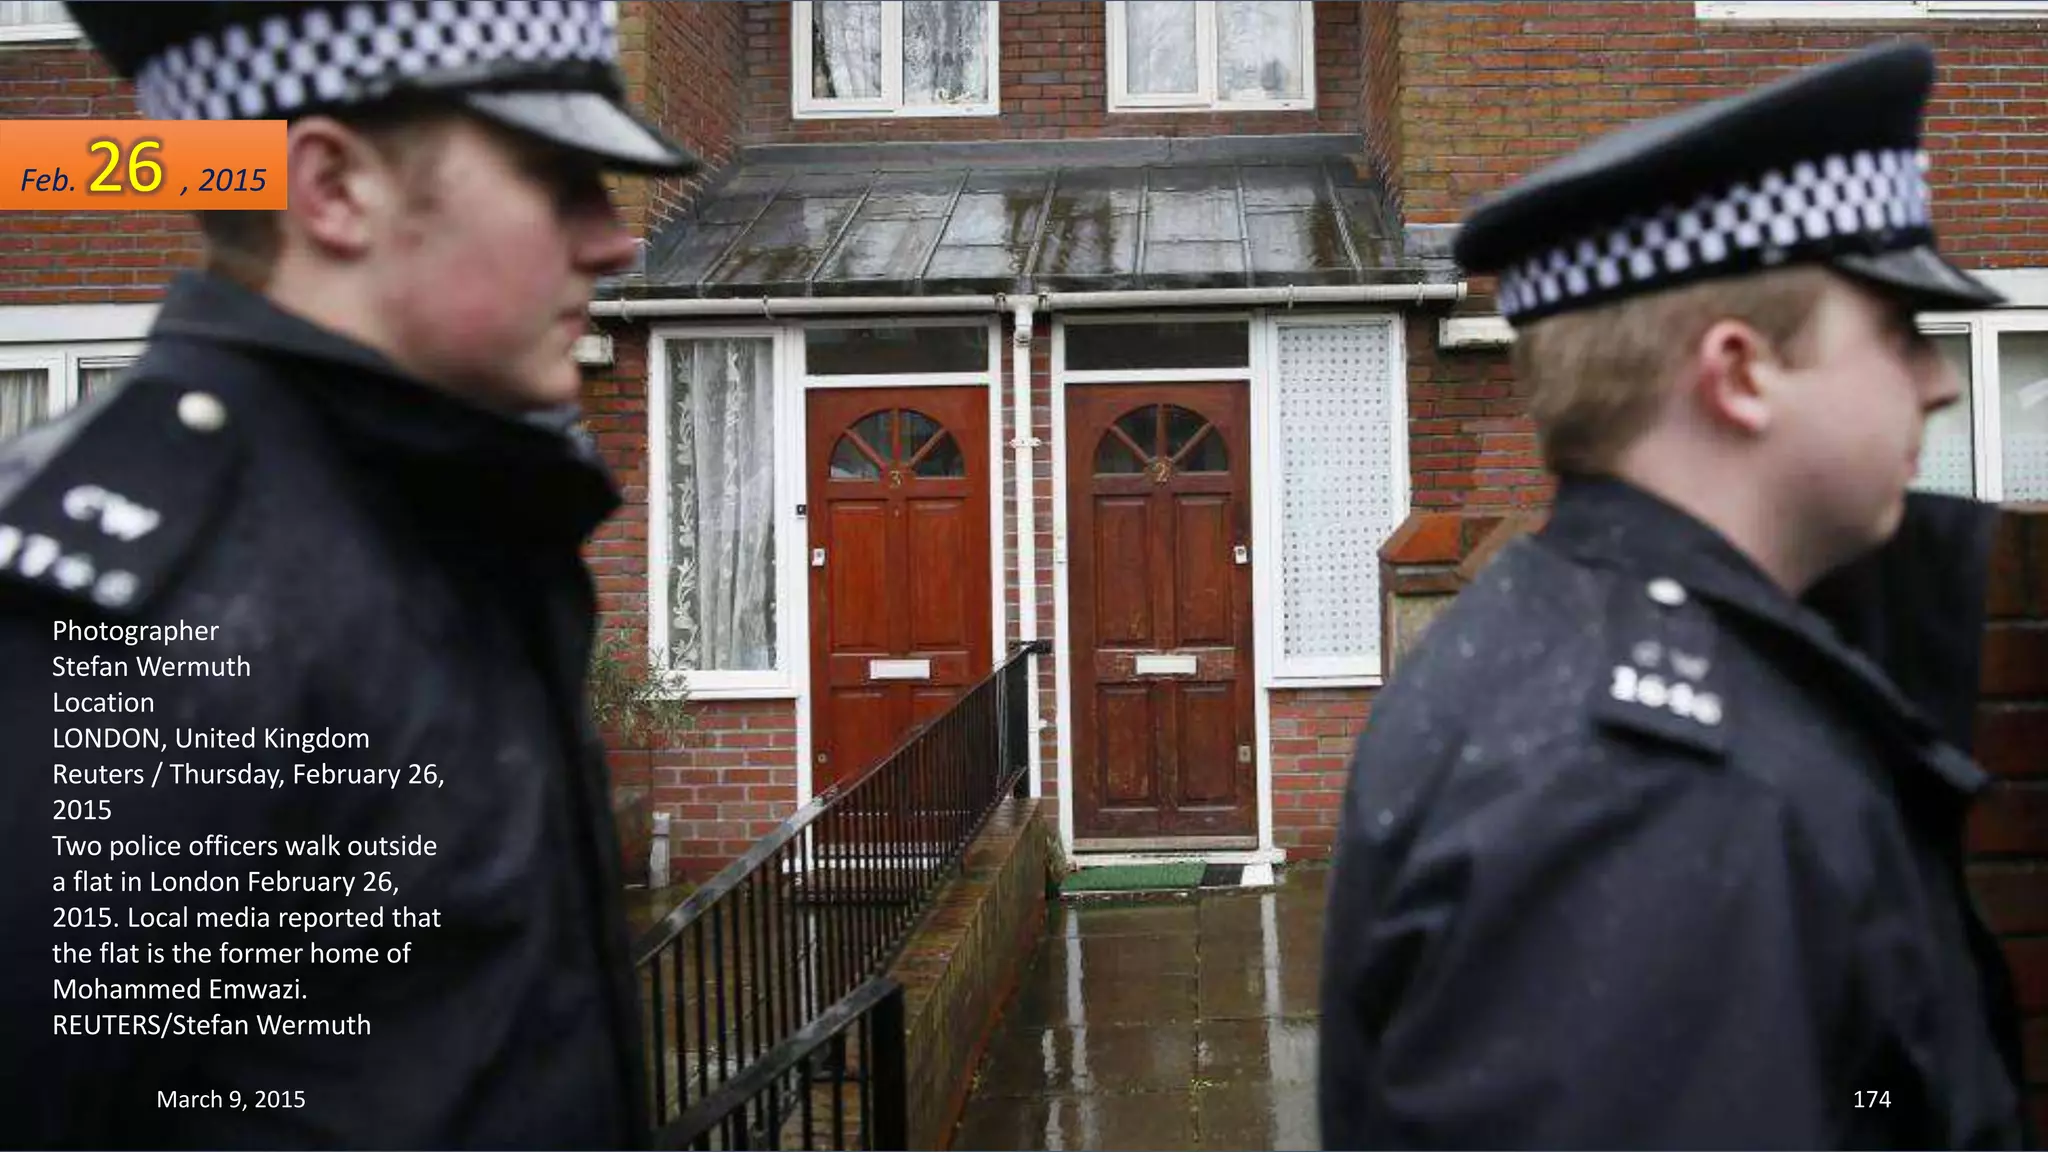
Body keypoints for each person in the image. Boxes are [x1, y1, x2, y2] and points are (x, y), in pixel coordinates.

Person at [0, 2, 697, 1147]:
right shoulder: (129, 619)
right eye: (556, 175)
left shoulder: (460, 522)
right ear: (330, 188)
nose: (611, 237)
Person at [1319, 41, 2031, 1149]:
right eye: (1896, 333)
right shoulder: (1651, 798)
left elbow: (1851, 1095)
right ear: (1740, 372)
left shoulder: (1552, 652)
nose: (1937, 382)